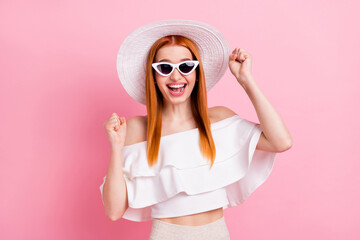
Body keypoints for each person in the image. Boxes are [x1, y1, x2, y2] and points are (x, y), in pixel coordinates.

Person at [99, 20, 292, 240]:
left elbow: (281, 142)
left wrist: (245, 80)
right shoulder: (136, 128)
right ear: (153, 77)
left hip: (217, 234)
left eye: (185, 66)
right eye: (164, 67)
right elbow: (114, 211)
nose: (175, 76)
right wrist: (116, 147)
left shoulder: (219, 119)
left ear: (197, 73)